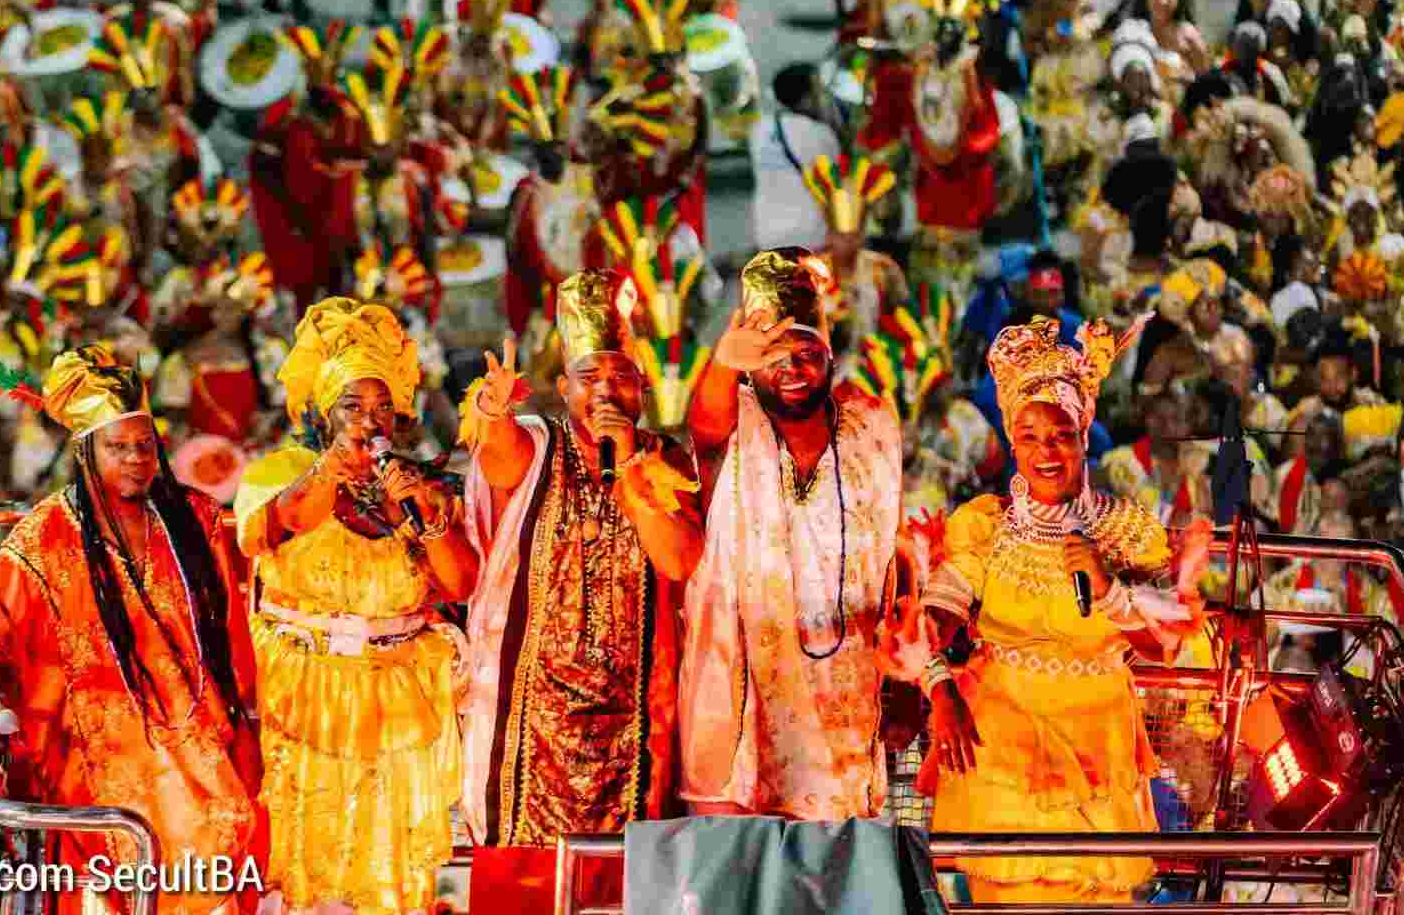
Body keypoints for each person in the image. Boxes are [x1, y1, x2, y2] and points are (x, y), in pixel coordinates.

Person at [0, 345, 266, 915]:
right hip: (97, 764)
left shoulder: (196, 521)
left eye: (145, 445)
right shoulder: (44, 536)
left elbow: (233, 632)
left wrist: (247, 722)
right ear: (85, 452)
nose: (135, 459)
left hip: (198, 751)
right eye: (117, 447)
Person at [918, 316, 1206, 904]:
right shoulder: (985, 526)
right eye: (1029, 437)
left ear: (1083, 435)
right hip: (1001, 744)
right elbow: (931, 620)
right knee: (1008, 896)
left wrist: (1109, 592)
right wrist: (940, 688)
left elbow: (1164, 643)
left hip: (1100, 742)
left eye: (1061, 434)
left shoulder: (1127, 530)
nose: (1046, 451)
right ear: (1011, 443)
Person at [234, 298, 478, 913]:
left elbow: (460, 582)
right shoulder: (279, 472)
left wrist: (426, 515)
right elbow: (270, 530)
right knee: (306, 853)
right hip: (304, 693)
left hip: (397, 701)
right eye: (352, 407)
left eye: (381, 409)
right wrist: (329, 474)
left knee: (390, 866)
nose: (369, 423)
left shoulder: (419, 485)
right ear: (321, 411)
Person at [459, 269, 704, 845]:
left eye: (620, 377)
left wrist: (633, 480)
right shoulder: (539, 443)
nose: (603, 391)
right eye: (588, 376)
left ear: (641, 390)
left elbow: (679, 561)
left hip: (636, 712)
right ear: (563, 389)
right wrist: (491, 413)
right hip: (531, 714)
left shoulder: (665, 458)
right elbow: (498, 458)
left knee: (627, 875)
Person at [679, 247, 903, 818]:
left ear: (830, 356)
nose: (793, 368)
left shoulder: (869, 428)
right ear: (751, 368)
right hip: (742, 707)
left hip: (844, 705)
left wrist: (905, 681)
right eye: (774, 355)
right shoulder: (737, 421)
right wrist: (725, 362)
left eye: (807, 352)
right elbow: (704, 425)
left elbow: (891, 561)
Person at [748, 64, 843, 253]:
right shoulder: (820, 134)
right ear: (806, 99)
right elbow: (835, 185)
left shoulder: (759, 130)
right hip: (810, 235)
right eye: (819, 90)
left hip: (767, 235)